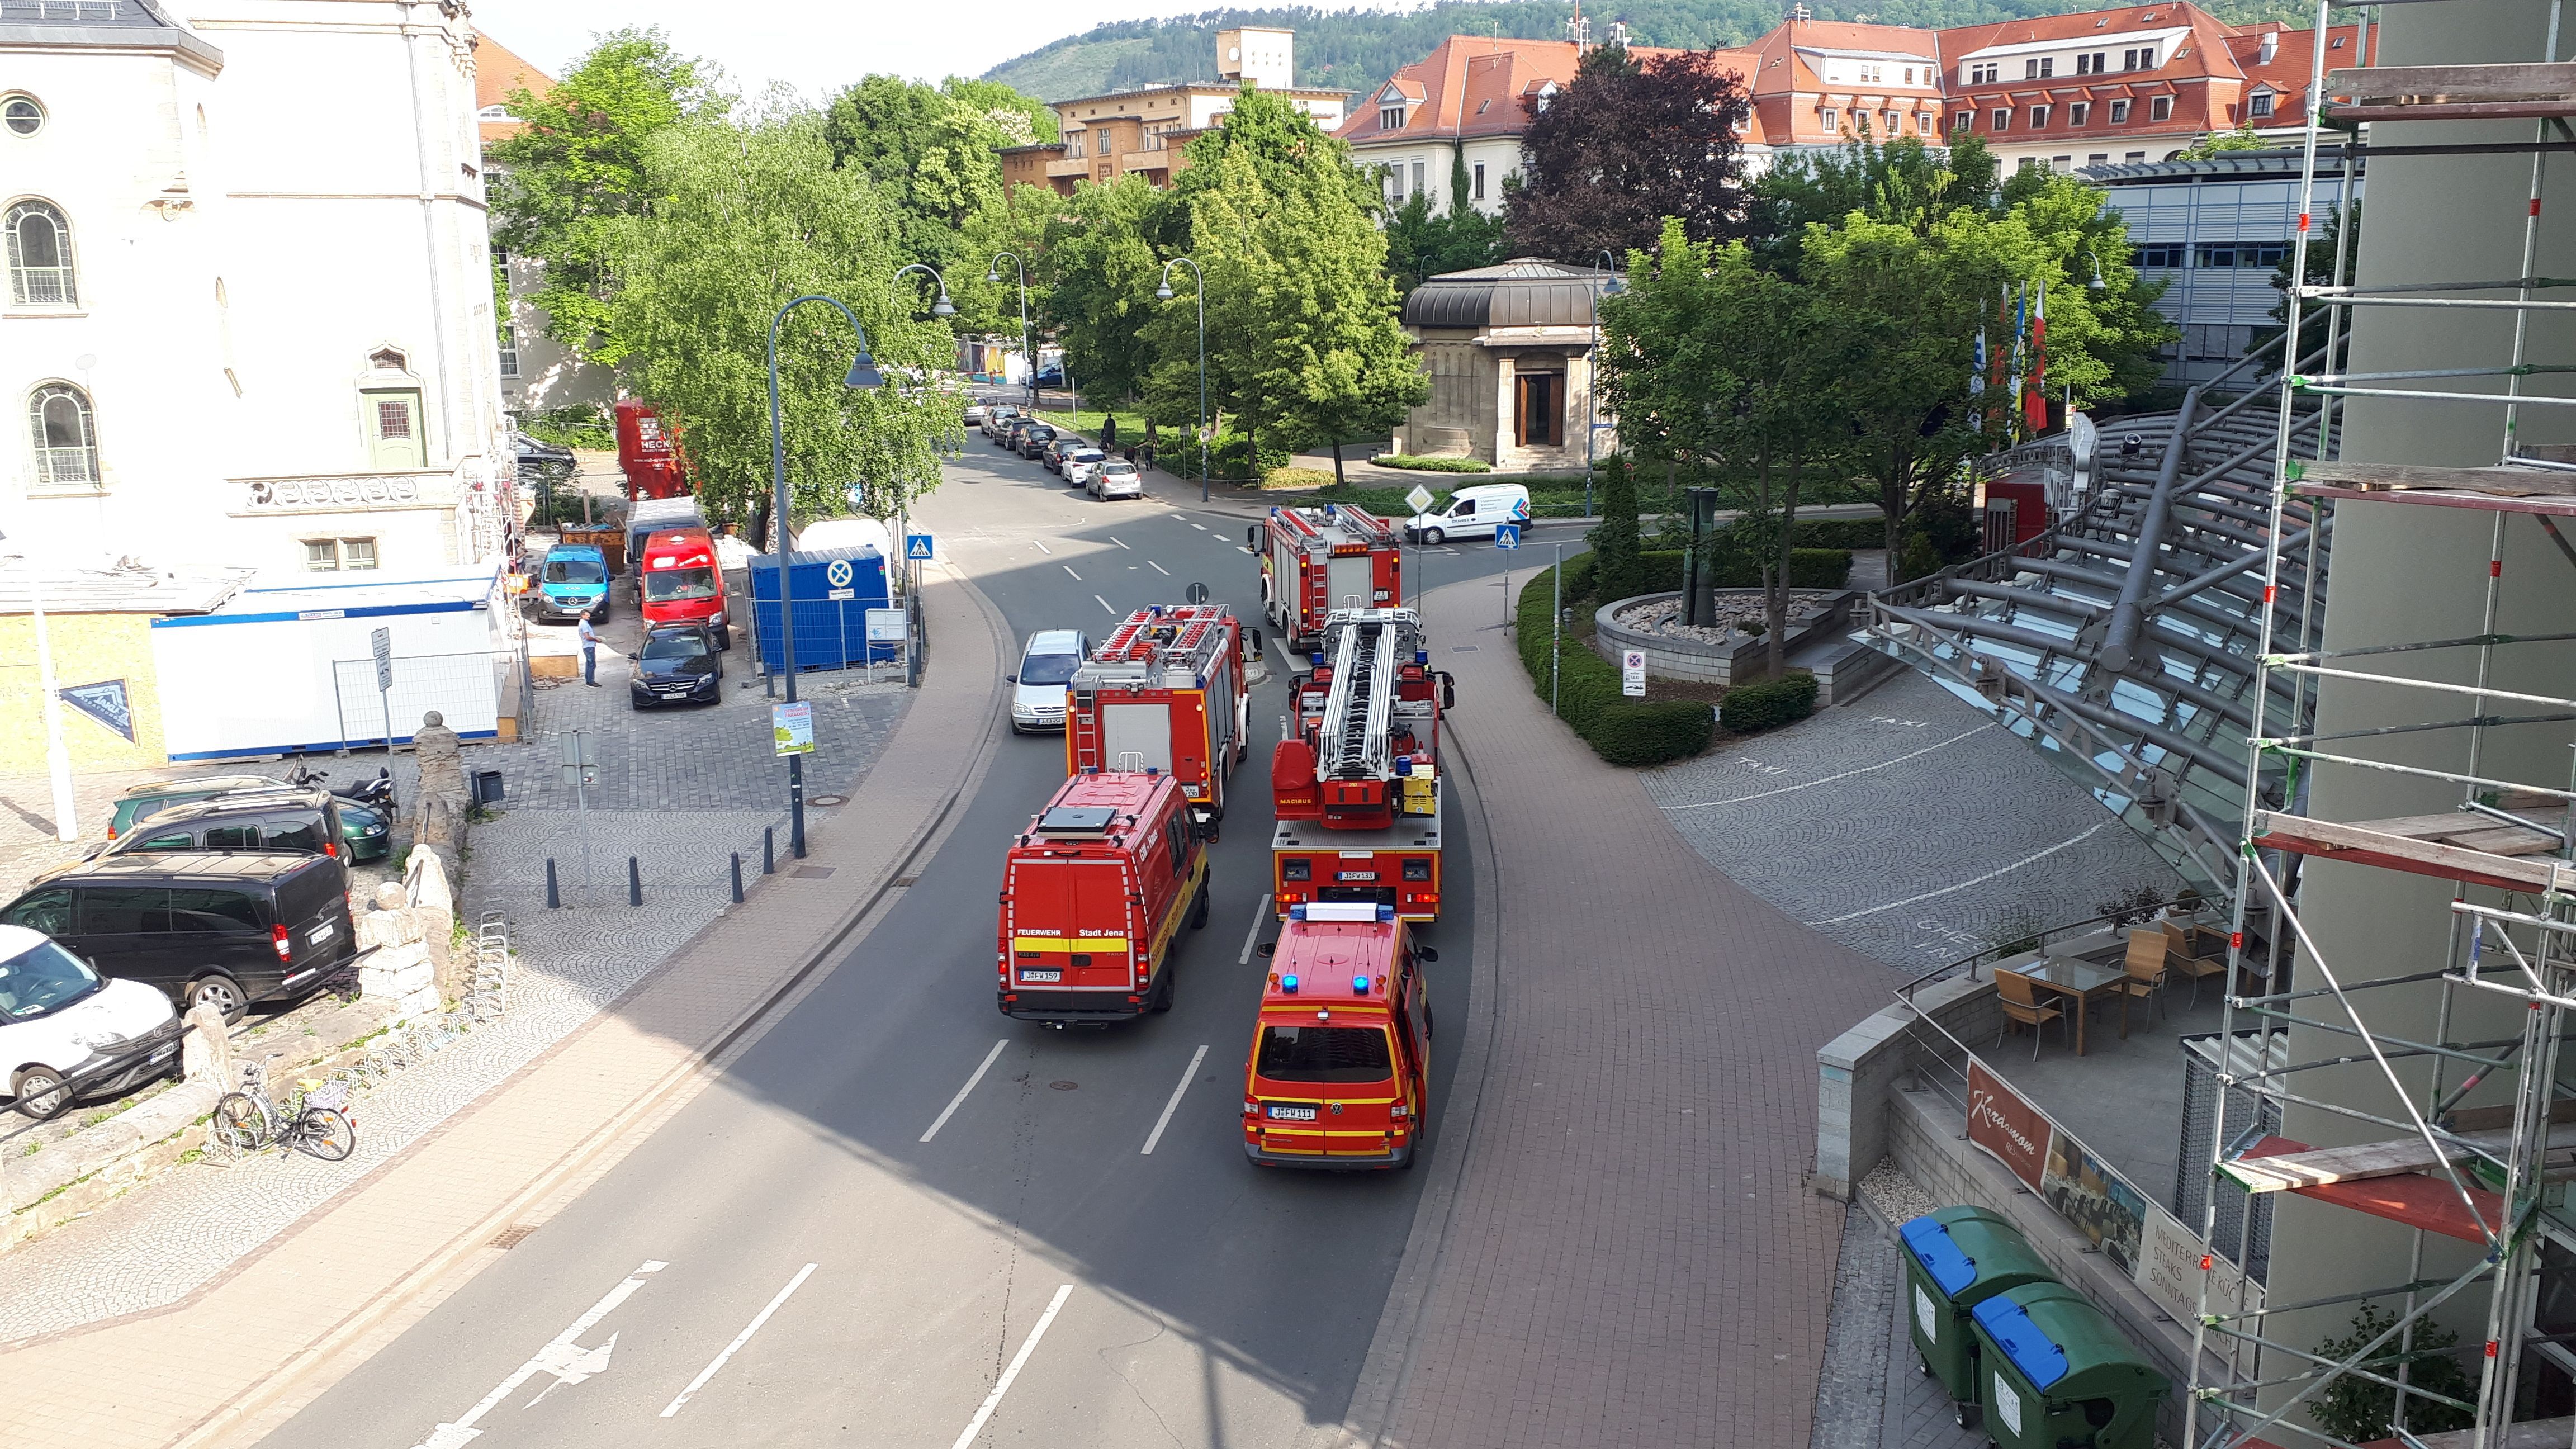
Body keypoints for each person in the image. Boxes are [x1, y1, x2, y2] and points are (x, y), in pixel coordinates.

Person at [577, 609, 600, 686]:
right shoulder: (584, 624)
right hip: (589, 646)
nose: (589, 616)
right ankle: (591, 682)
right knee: (592, 664)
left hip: (587, 646)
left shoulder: (583, 623)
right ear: (582, 616)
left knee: (589, 663)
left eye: (589, 615)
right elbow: (587, 637)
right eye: (587, 615)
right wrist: (596, 639)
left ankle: (589, 681)